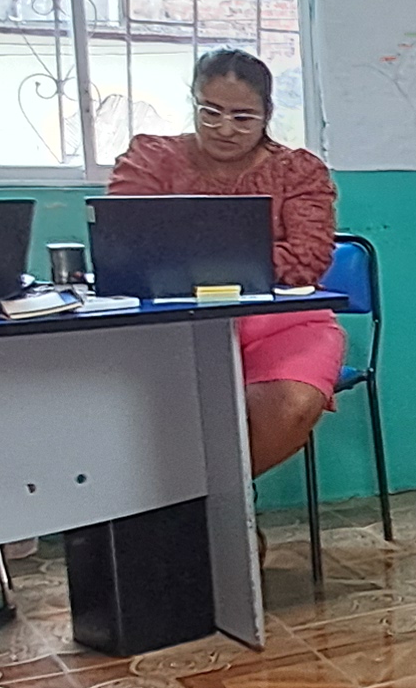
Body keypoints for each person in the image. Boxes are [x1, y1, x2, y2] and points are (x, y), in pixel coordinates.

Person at [106, 49, 344, 481]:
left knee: (290, 405)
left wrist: (184, 259)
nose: (225, 129)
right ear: (193, 101)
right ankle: (191, 509)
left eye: (243, 117)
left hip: (282, 321)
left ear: (267, 113)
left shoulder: (299, 171)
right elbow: (126, 244)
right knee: (132, 413)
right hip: (169, 324)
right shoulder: (150, 159)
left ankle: (214, 505)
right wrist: (245, 259)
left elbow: (307, 260)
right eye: (210, 112)